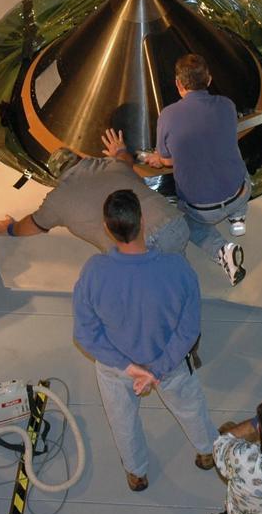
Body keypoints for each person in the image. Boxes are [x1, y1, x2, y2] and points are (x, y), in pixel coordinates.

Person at [73, 189, 216, 491]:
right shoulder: (177, 268)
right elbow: (188, 331)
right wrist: (157, 370)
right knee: (191, 408)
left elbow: (86, 334)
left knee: (123, 421)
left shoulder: (93, 272)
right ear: (142, 219)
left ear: (108, 227)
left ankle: (137, 473)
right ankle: (207, 453)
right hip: (170, 364)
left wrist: (130, 368)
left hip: (116, 370)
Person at [0, 130, 189, 254]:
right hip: (176, 225)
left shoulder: (57, 201)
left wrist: (10, 228)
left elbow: (33, 224)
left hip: (141, 248)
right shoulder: (110, 165)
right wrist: (120, 152)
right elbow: (126, 161)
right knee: (174, 270)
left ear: (57, 177)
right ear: (79, 159)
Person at [141, 54, 248, 286]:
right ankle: (238, 217)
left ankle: (222, 251)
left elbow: (168, 160)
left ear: (179, 84)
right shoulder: (227, 105)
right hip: (240, 191)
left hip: (204, 209)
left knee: (183, 221)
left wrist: (157, 160)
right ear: (209, 80)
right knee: (237, 164)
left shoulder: (168, 116)